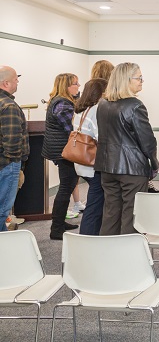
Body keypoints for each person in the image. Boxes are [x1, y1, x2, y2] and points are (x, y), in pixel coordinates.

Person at [95, 62, 159, 235]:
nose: (141, 81)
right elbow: (147, 141)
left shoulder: (103, 104)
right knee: (132, 215)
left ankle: (109, 256)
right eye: (138, 78)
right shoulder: (135, 105)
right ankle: (130, 257)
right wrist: (154, 163)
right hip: (132, 169)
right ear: (126, 80)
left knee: (111, 213)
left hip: (107, 167)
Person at [42, 73, 81, 239]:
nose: (78, 87)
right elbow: (70, 129)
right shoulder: (63, 104)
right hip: (63, 151)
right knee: (66, 186)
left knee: (67, 184)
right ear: (66, 86)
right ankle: (56, 228)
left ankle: (59, 223)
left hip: (58, 149)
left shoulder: (57, 100)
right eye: (75, 84)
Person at [74, 78, 108, 235]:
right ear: (101, 93)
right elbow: (101, 138)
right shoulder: (96, 110)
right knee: (94, 207)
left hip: (82, 165)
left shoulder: (81, 110)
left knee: (95, 204)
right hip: (94, 167)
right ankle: (87, 240)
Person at [0, 66, 29, 232]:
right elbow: (12, 143)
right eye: (15, 79)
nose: (17, 81)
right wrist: (18, 165)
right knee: (2, 211)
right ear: (5, 83)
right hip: (7, 165)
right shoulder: (9, 106)